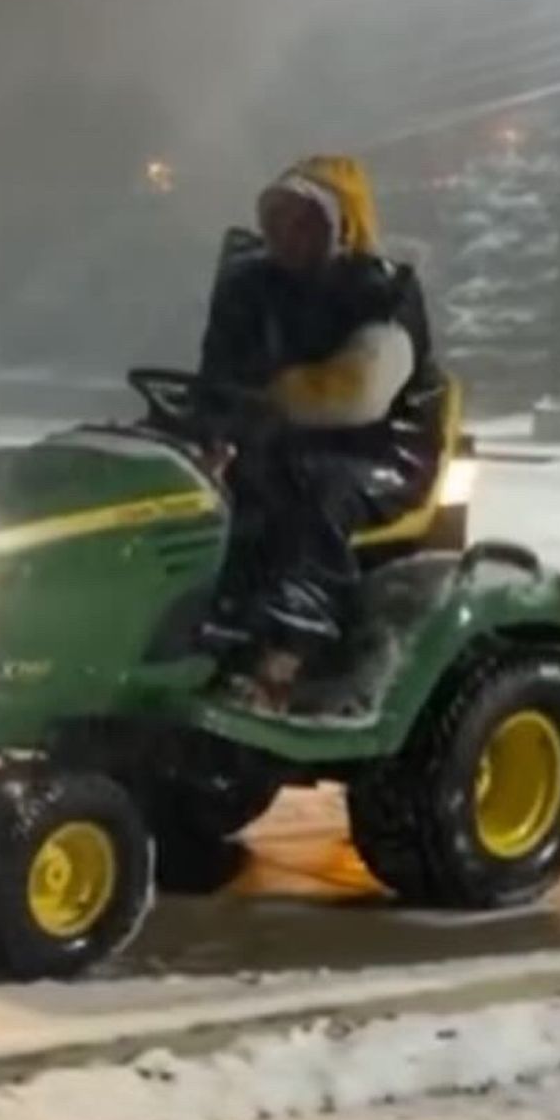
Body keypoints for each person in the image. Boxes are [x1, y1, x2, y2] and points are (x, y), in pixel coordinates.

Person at [196, 154, 446, 709]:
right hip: (270, 439)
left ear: (344, 225)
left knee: (308, 494)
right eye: (278, 218)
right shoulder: (248, 288)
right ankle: (194, 626)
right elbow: (218, 374)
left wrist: (272, 402)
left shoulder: (383, 295)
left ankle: (287, 647)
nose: (287, 232)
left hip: (378, 450)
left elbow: (357, 391)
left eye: (305, 219)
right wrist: (210, 432)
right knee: (175, 481)